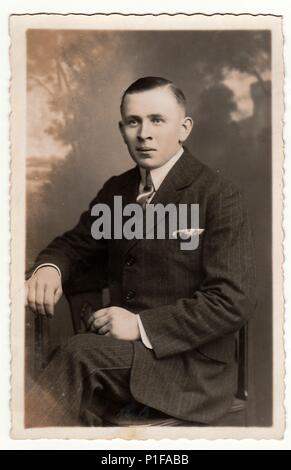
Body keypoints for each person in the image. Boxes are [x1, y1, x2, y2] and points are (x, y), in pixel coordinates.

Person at [25, 76, 256, 427]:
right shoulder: (117, 190)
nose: (144, 133)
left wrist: (141, 325)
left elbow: (231, 300)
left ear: (184, 128)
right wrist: (50, 268)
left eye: (157, 120)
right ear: (122, 129)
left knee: (77, 355)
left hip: (189, 366)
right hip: (125, 356)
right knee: (73, 388)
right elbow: (75, 245)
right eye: (134, 122)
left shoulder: (218, 196)